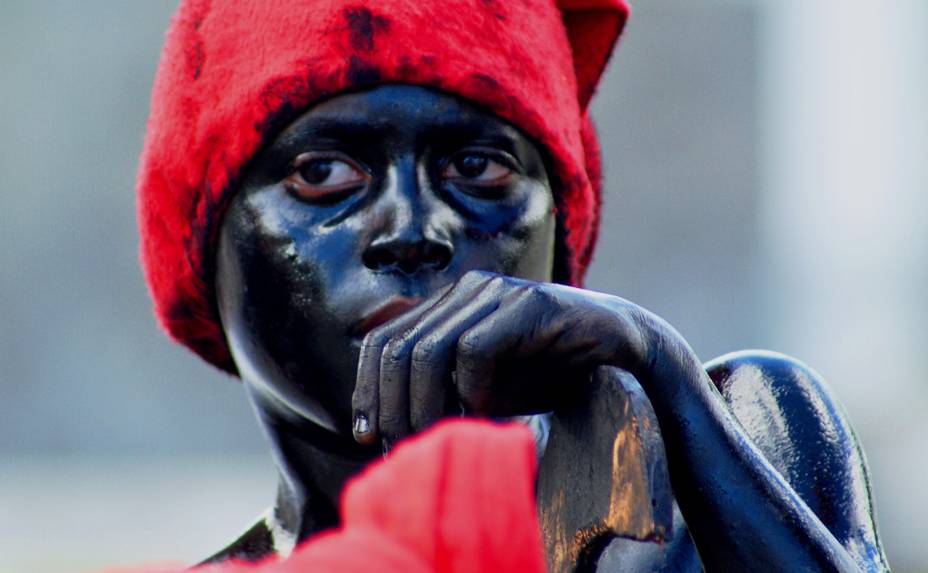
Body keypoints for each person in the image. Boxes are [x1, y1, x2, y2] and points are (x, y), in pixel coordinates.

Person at [136, 0, 889, 571]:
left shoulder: (726, 442)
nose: (413, 229)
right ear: (206, 249)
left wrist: (656, 362)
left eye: (476, 168)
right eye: (324, 173)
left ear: (561, 231)